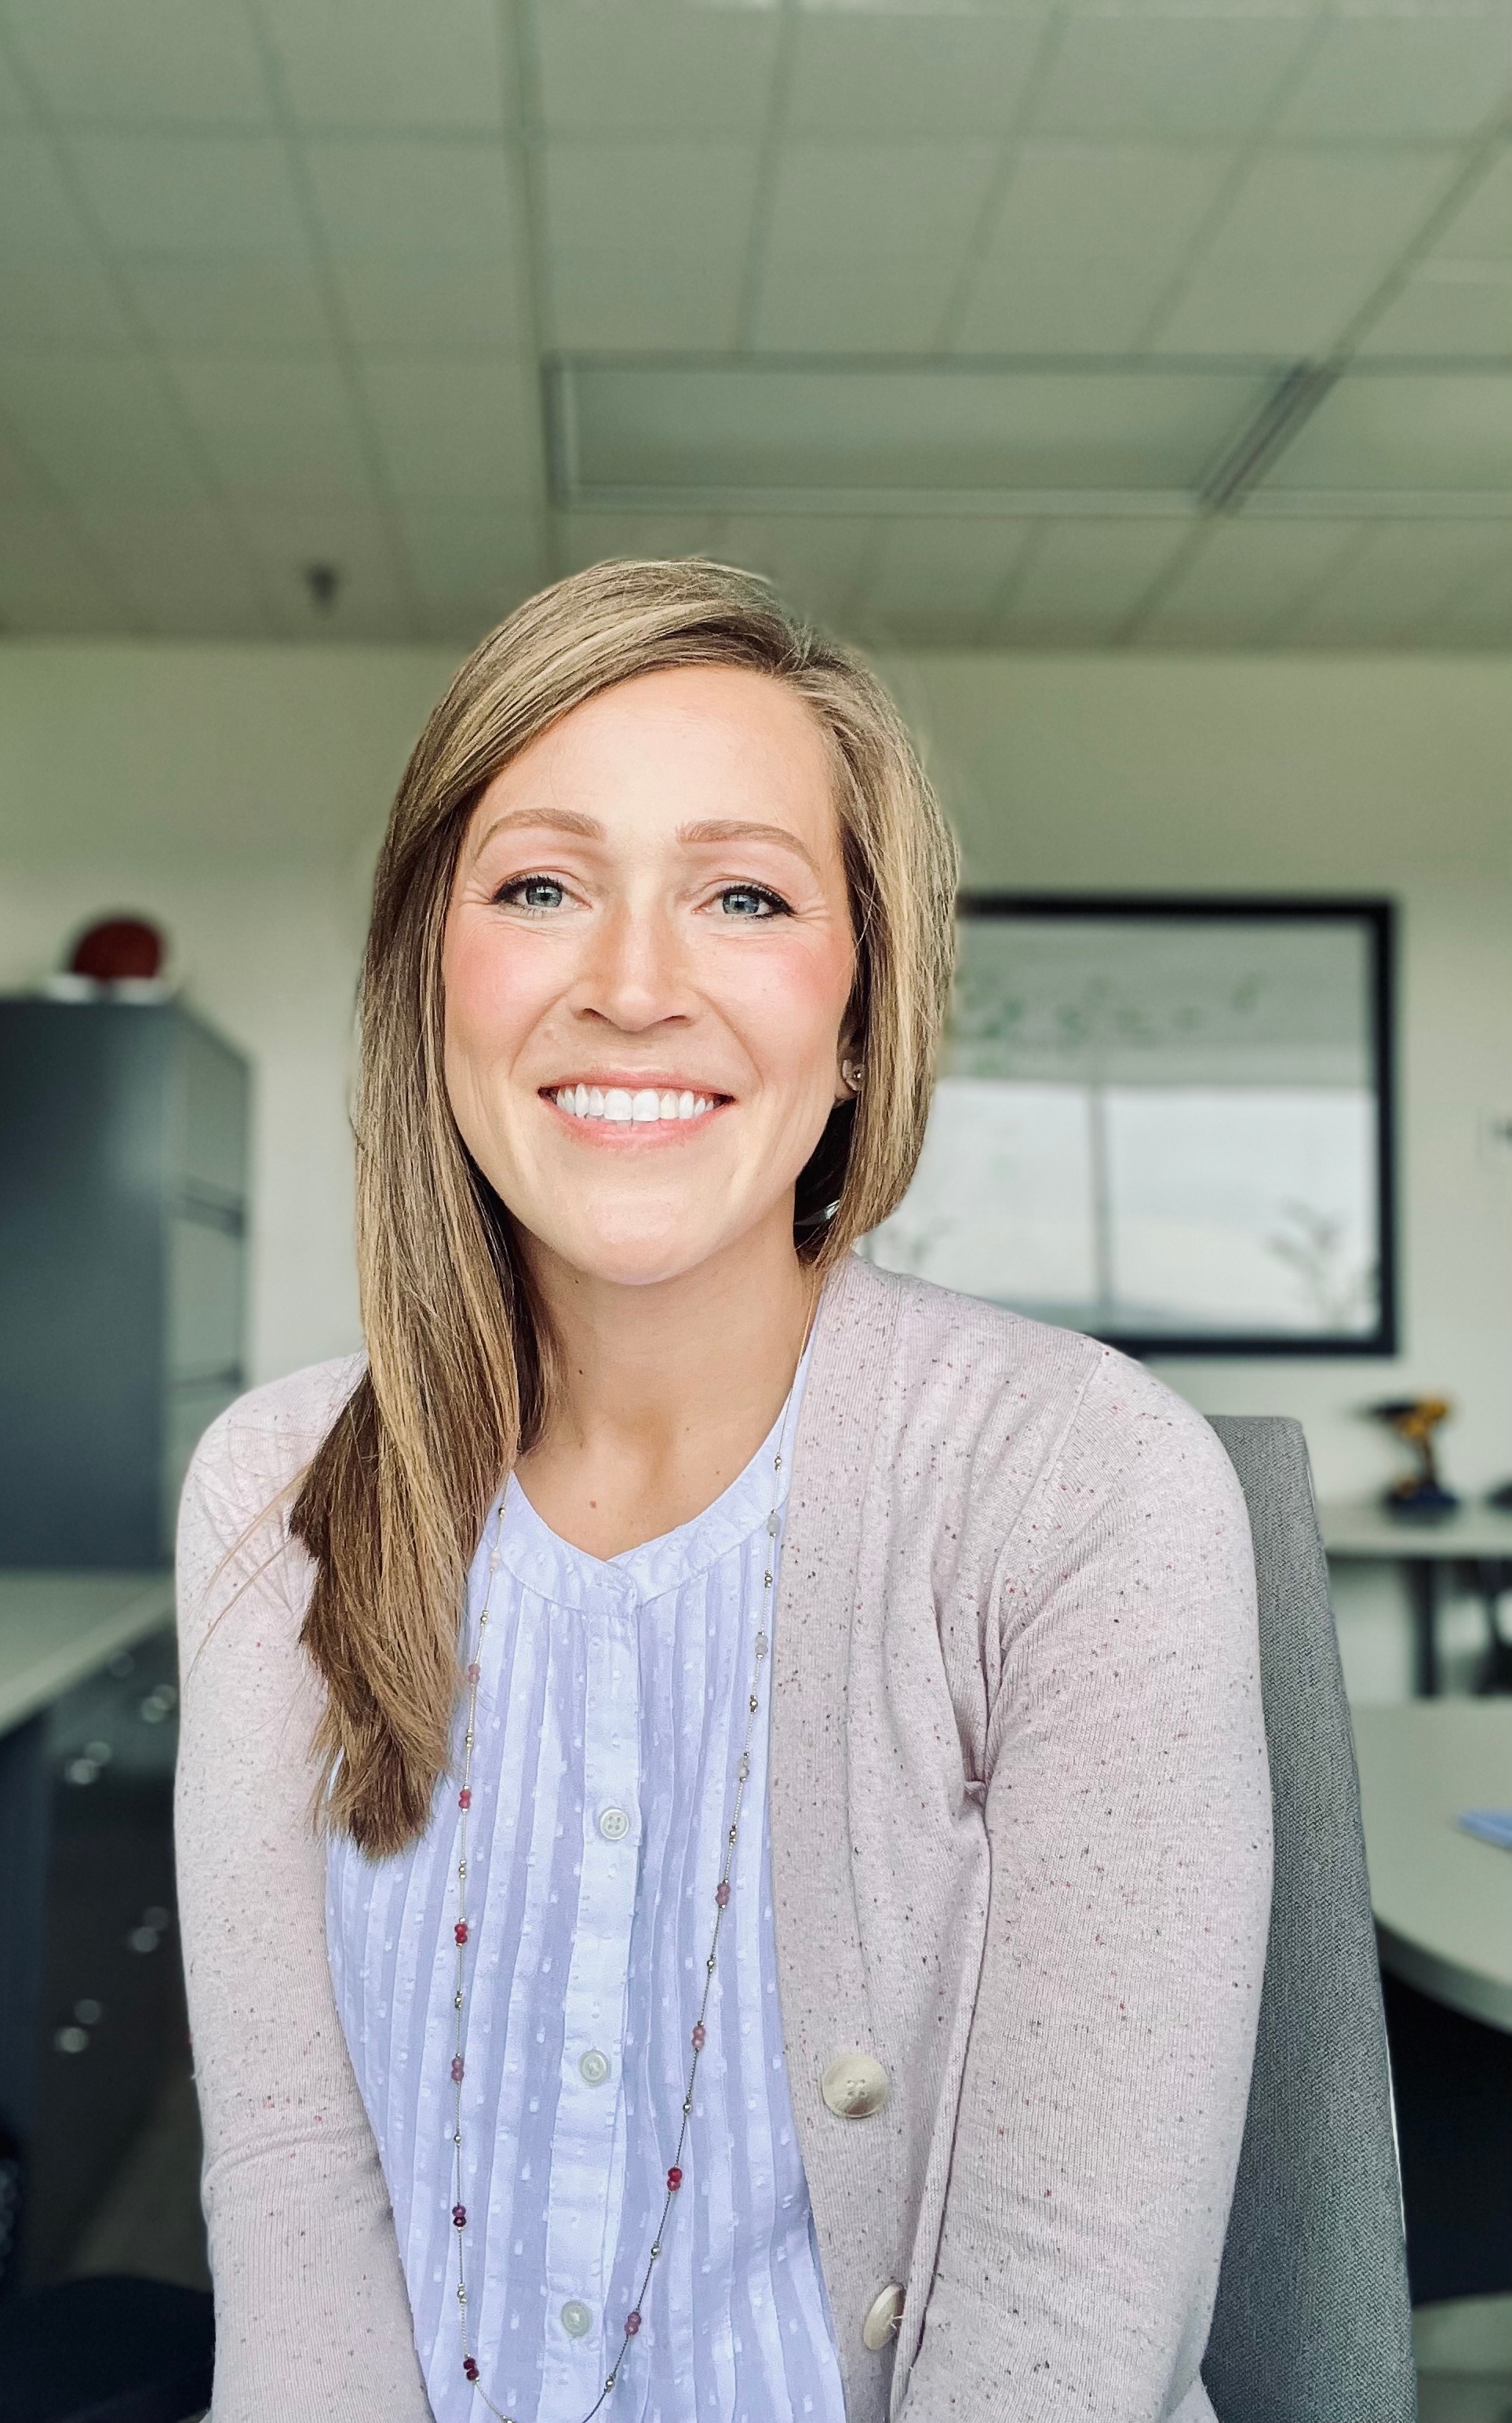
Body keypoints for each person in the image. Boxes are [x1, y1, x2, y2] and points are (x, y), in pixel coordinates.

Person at [175, 559, 1272, 2423]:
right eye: (538, 885)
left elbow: (1067, 2325)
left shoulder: (1078, 1485)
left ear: (859, 1018)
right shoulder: (276, 1487)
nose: (629, 985)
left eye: (745, 896)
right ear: (426, 980)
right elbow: (293, 2195)